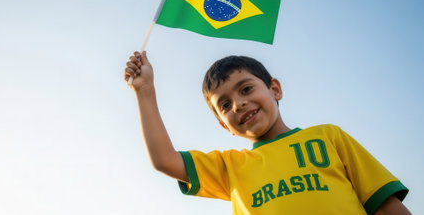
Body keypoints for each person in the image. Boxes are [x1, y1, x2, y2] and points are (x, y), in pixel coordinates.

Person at [124, 51, 410, 215]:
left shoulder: (328, 136)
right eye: (225, 105)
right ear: (225, 126)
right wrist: (144, 91)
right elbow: (164, 160)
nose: (238, 104)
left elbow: (384, 205)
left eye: (246, 89)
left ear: (275, 89)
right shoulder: (231, 168)